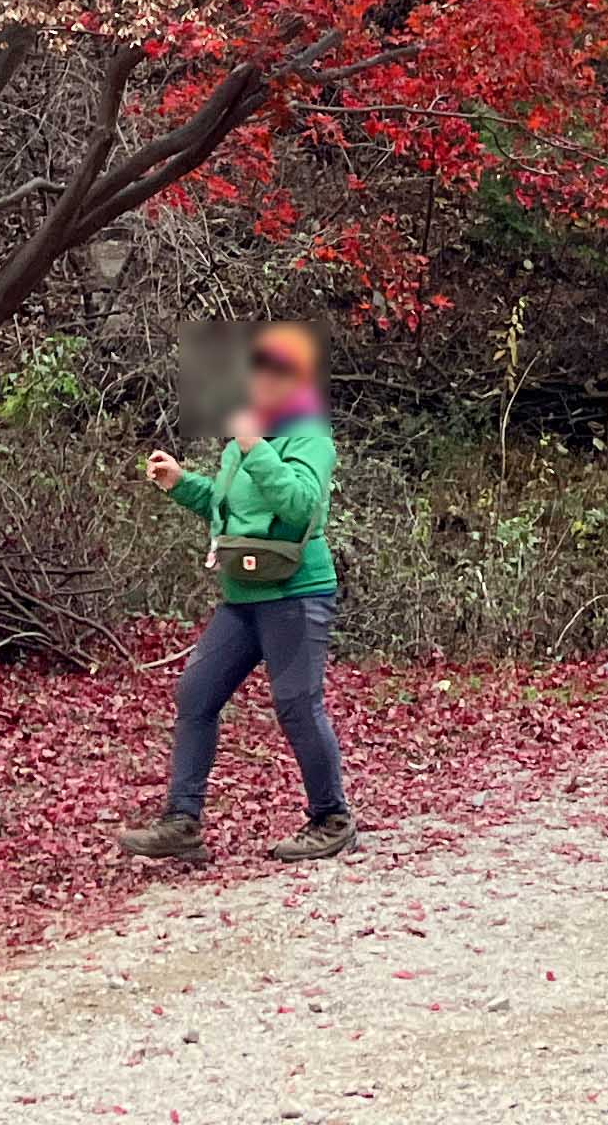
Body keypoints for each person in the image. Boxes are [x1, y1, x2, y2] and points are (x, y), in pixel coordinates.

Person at [117, 323, 355, 865]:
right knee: (196, 696)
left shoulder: (309, 437)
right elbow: (233, 514)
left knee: (296, 704)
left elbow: (299, 506)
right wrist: (182, 483)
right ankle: (182, 822)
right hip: (242, 593)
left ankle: (332, 817)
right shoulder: (243, 438)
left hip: (296, 591)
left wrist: (253, 446)